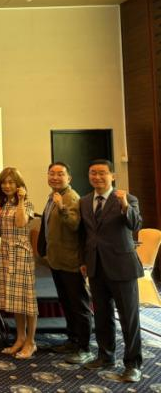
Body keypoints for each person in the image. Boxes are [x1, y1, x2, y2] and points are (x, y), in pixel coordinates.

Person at [79, 159, 143, 383]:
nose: (97, 177)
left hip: (122, 267)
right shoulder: (85, 201)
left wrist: (124, 205)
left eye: (102, 173)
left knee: (129, 318)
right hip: (96, 267)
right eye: (93, 173)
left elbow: (135, 225)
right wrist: (84, 260)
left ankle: (133, 365)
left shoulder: (127, 198)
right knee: (102, 315)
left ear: (112, 176)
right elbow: (85, 234)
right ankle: (105, 356)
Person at [36, 162, 93, 364]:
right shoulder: (53, 195)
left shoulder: (71, 197)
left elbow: (74, 225)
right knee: (67, 302)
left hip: (71, 261)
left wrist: (61, 207)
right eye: (51, 173)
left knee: (78, 305)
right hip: (57, 260)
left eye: (60, 174)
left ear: (69, 178)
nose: (55, 177)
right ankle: (72, 340)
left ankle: (84, 347)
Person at [0, 167, 37, 359]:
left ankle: (31, 342)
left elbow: (21, 223)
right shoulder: (3, 204)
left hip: (21, 254)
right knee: (16, 300)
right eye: (4, 182)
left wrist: (21, 200)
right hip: (6, 253)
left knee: (27, 300)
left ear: (19, 185)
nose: (7, 186)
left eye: (11, 182)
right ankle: (20, 338)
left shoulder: (27, 203)